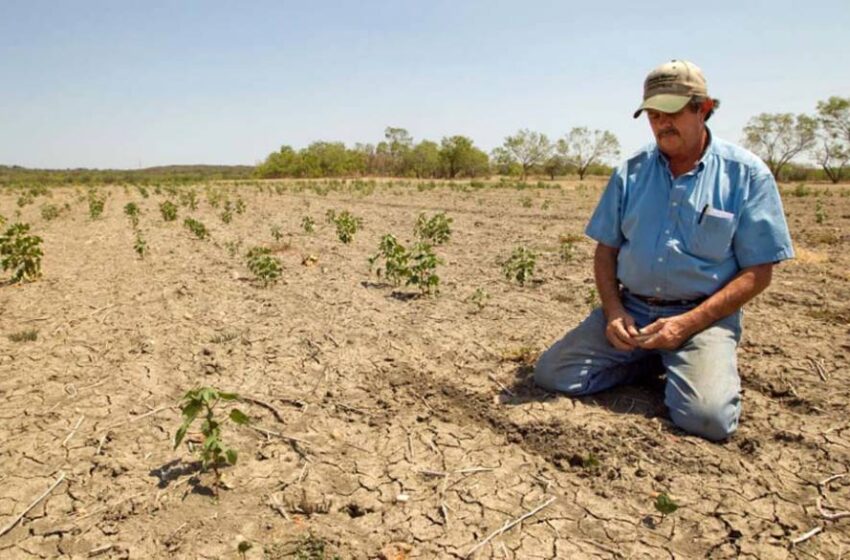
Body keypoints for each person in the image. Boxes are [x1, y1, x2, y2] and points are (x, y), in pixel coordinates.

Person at [534, 59, 794, 441]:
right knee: (553, 374)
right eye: (653, 114)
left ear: (703, 109)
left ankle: (687, 362)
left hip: (701, 319)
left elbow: (759, 272)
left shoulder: (746, 174)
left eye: (671, 112)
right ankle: (647, 359)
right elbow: (606, 251)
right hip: (633, 311)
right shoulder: (631, 172)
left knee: (708, 420)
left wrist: (685, 325)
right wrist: (613, 311)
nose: (661, 123)